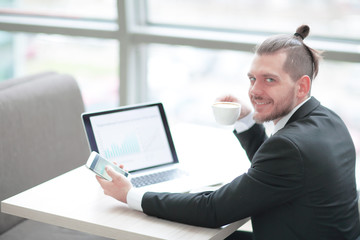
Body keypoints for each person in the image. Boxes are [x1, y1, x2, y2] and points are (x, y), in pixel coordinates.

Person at [96, 25, 360, 240]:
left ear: (301, 87)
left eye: (270, 79)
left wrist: (130, 195)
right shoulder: (329, 121)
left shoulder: (289, 148)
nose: (255, 90)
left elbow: (214, 210)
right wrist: (246, 119)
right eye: (252, 78)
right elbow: (277, 173)